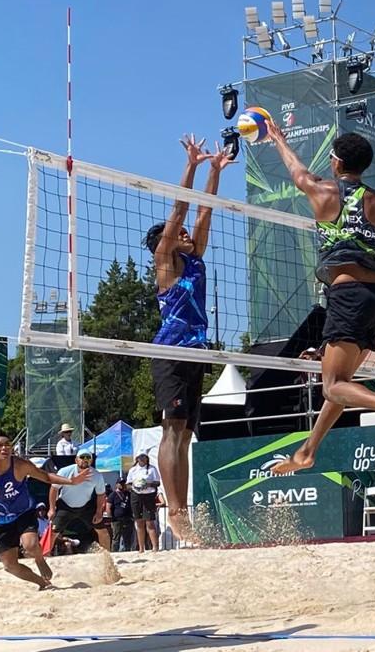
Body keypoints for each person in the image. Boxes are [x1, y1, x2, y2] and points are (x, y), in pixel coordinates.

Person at [268, 131, 375, 476]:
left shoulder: (321, 190)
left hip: (348, 296)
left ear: (336, 161)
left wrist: (277, 138)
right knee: (342, 384)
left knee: (333, 385)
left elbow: (296, 171)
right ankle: (308, 450)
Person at [143, 135, 232, 542]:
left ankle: (185, 511)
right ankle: (176, 512)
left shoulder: (194, 261)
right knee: (170, 429)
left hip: (195, 352)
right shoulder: (166, 261)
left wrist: (214, 172)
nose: (186, 235)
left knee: (185, 434)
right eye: (178, 235)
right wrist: (192, 166)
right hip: (170, 350)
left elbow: (203, 213)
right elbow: (180, 209)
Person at [0, 433, 92, 589]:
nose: (4, 448)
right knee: (10, 566)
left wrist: (71, 482)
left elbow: (46, 476)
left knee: (30, 545)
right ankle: (41, 582)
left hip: (23, 513)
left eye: (7, 444)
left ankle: (39, 559)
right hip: (0, 520)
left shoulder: (20, 465)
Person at [48, 450, 110, 553]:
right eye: (82, 457)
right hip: (65, 505)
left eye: (88, 458)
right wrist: (51, 508)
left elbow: (101, 494)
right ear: (76, 460)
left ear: (91, 461)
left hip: (86, 506)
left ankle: (108, 556)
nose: (85, 460)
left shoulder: (97, 475)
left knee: (103, 531)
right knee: (53, 532)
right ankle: (44, 558)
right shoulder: (65, 471)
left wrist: (99, 512)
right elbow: (54, 488)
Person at [126, 453, 162, 552]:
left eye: (144, 457)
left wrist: (148, 484)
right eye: (140, 457)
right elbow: (128, 484)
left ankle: (155, 547)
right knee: (139, 522)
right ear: (137, 459)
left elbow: (157, 482)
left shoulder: (152, 469)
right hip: (136, 496)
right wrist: (134, 486)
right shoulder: (133, 470)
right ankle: (141, 548)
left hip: (148, 496)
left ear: (147, 458)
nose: (142, 459)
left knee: (150, 522)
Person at [109, 479, 135, 552]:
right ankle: (114, 551)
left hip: (128, 518)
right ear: (116, 484)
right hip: (116, 519)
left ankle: (127, 550)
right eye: (120, 483)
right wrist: (111, 518)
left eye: (123, 483)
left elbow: (133, 504)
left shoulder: (128, 494)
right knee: (116, 537)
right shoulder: (113, 494)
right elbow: (108, 506)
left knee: (127, 536)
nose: (122, 485)